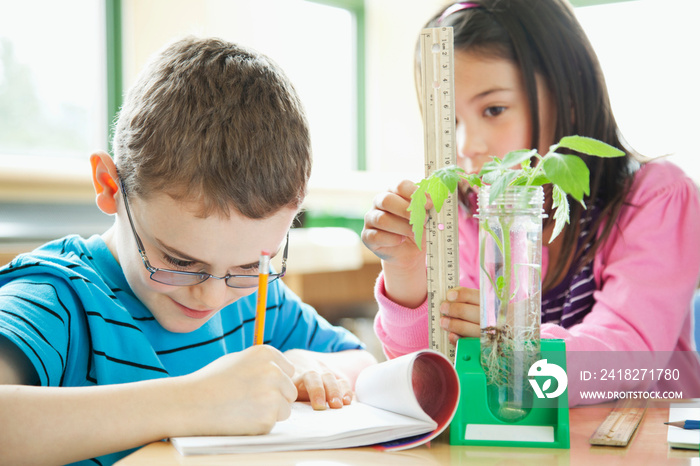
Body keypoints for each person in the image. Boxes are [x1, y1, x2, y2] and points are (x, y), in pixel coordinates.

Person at [0, 36, 377, 465]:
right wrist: (192, 402)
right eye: (179, 262)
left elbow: (360, 362)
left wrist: (303, 364)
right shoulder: (57, 300)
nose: (212, 297)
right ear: (110, 188)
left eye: (251, 263)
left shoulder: (255, 300)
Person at [362, 0, 700, 406]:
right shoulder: (466, 214)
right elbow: (431, 376)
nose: (468, 145)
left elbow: (629, 360)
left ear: (568, 95)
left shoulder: (654, 199)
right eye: (450, 121)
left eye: (494, 109)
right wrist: (407, 277)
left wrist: (517, 342)